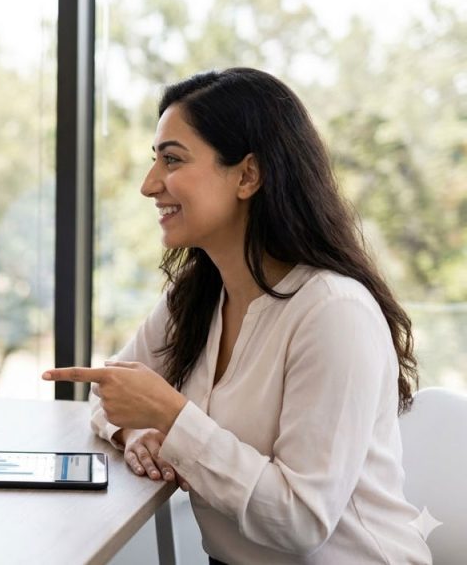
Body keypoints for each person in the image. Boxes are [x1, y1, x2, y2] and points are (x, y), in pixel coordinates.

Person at [43, 68, 431, 564]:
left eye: (172, 160)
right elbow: (111, 390)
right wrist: (135, 431)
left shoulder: (334, 312)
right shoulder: (199, 294)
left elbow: (301, 520)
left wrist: (170, 416)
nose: (148, 185)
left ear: (248, 175)